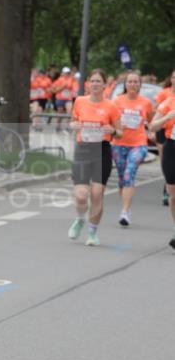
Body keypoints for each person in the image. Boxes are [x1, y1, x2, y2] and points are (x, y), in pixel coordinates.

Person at [68, 68, 122, 246]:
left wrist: (113, 130)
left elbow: (120, 131)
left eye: (99, 81)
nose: (95, 84)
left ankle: (92, 232)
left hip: (102, 151)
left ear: (105, 85)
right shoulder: (80, 102)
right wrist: (74, 125)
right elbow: (72, 121)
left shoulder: (111, 106)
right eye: (93, 81)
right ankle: (80, 218)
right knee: (81, 196)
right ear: (88, 84)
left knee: (97, 194)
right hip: (83, 149)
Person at [110, 70, 154, 226]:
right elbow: (110, 120)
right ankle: (126, 207)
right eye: (130, 81)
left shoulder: (146, 103)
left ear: (140, 85)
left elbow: (151, 121)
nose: (133, 84)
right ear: (125, 84)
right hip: (119, 144)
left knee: (129, 173)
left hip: (139, 144)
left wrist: (151, 132)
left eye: (136, 82)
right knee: (122, 179)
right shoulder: (116, 101)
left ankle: (124, 212)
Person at [149, 88, 175, 250]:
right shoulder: (169, 102)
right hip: (172, 148)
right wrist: (167, 117)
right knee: (172, 193)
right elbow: (153, 127)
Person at [155, 71, 174, 206]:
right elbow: (157, 111)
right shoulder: (165, 95)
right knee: (165, 160)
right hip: (166, 132)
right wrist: (166, 117)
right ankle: (167, 187)